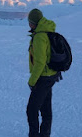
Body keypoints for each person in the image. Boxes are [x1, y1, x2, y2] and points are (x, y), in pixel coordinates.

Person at [27, 8, 59, 137]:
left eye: (29, 21)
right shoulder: (46, 31)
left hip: (43, 77)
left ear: (33, 22)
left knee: (31, 110)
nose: (28, 24)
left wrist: (32, 81)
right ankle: (44, 134)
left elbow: (40, 62)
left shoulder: (40, 37)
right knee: (45, 109)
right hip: (51, 75)